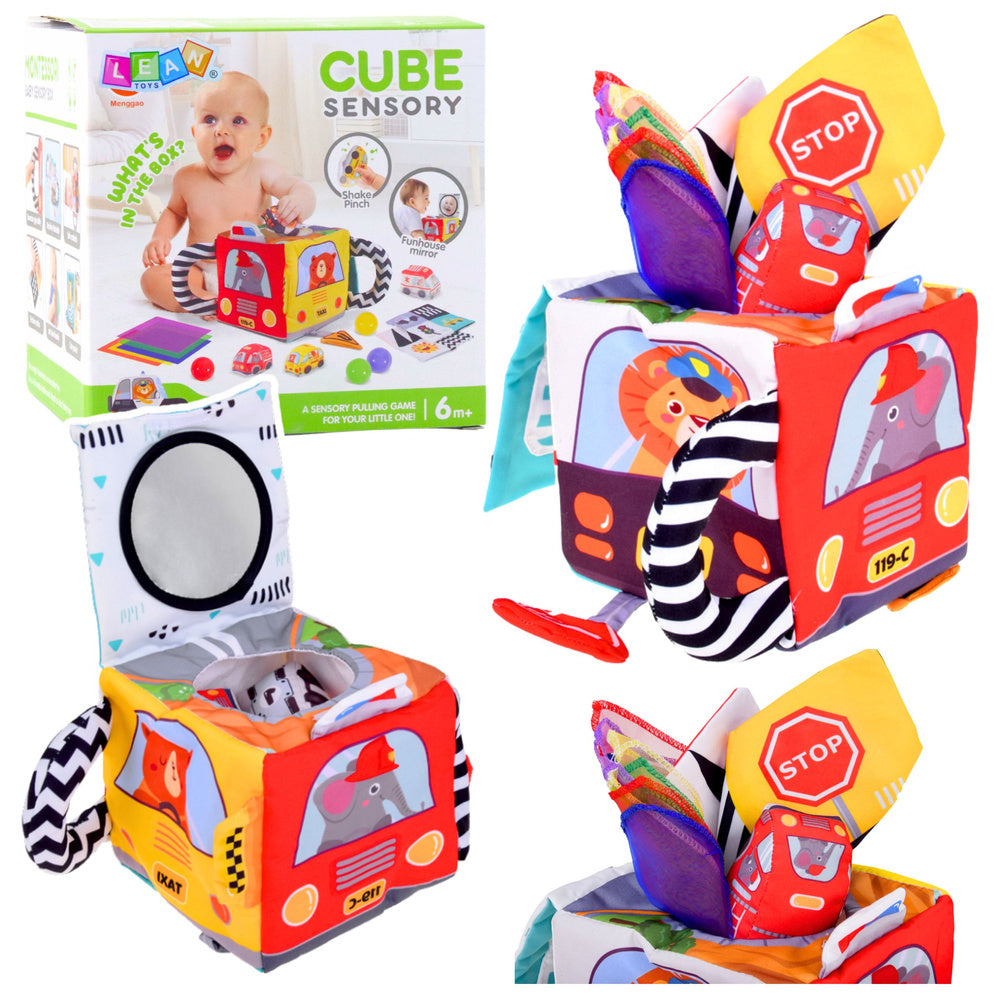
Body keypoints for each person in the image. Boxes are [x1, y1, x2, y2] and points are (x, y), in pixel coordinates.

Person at [140, 71, 316, 311]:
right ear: (195, 133)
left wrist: (299, 201)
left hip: (255, 270)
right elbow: (174, 212)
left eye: (238, 121)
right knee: (151, 279)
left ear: (261, 138)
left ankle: (228, 300)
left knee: (295, 276)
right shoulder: (186, 177)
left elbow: (298, 188)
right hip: (201, 269)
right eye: (209, 119)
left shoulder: (263, 171)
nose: (220, 130)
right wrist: (160, 237)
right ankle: (202, 299)